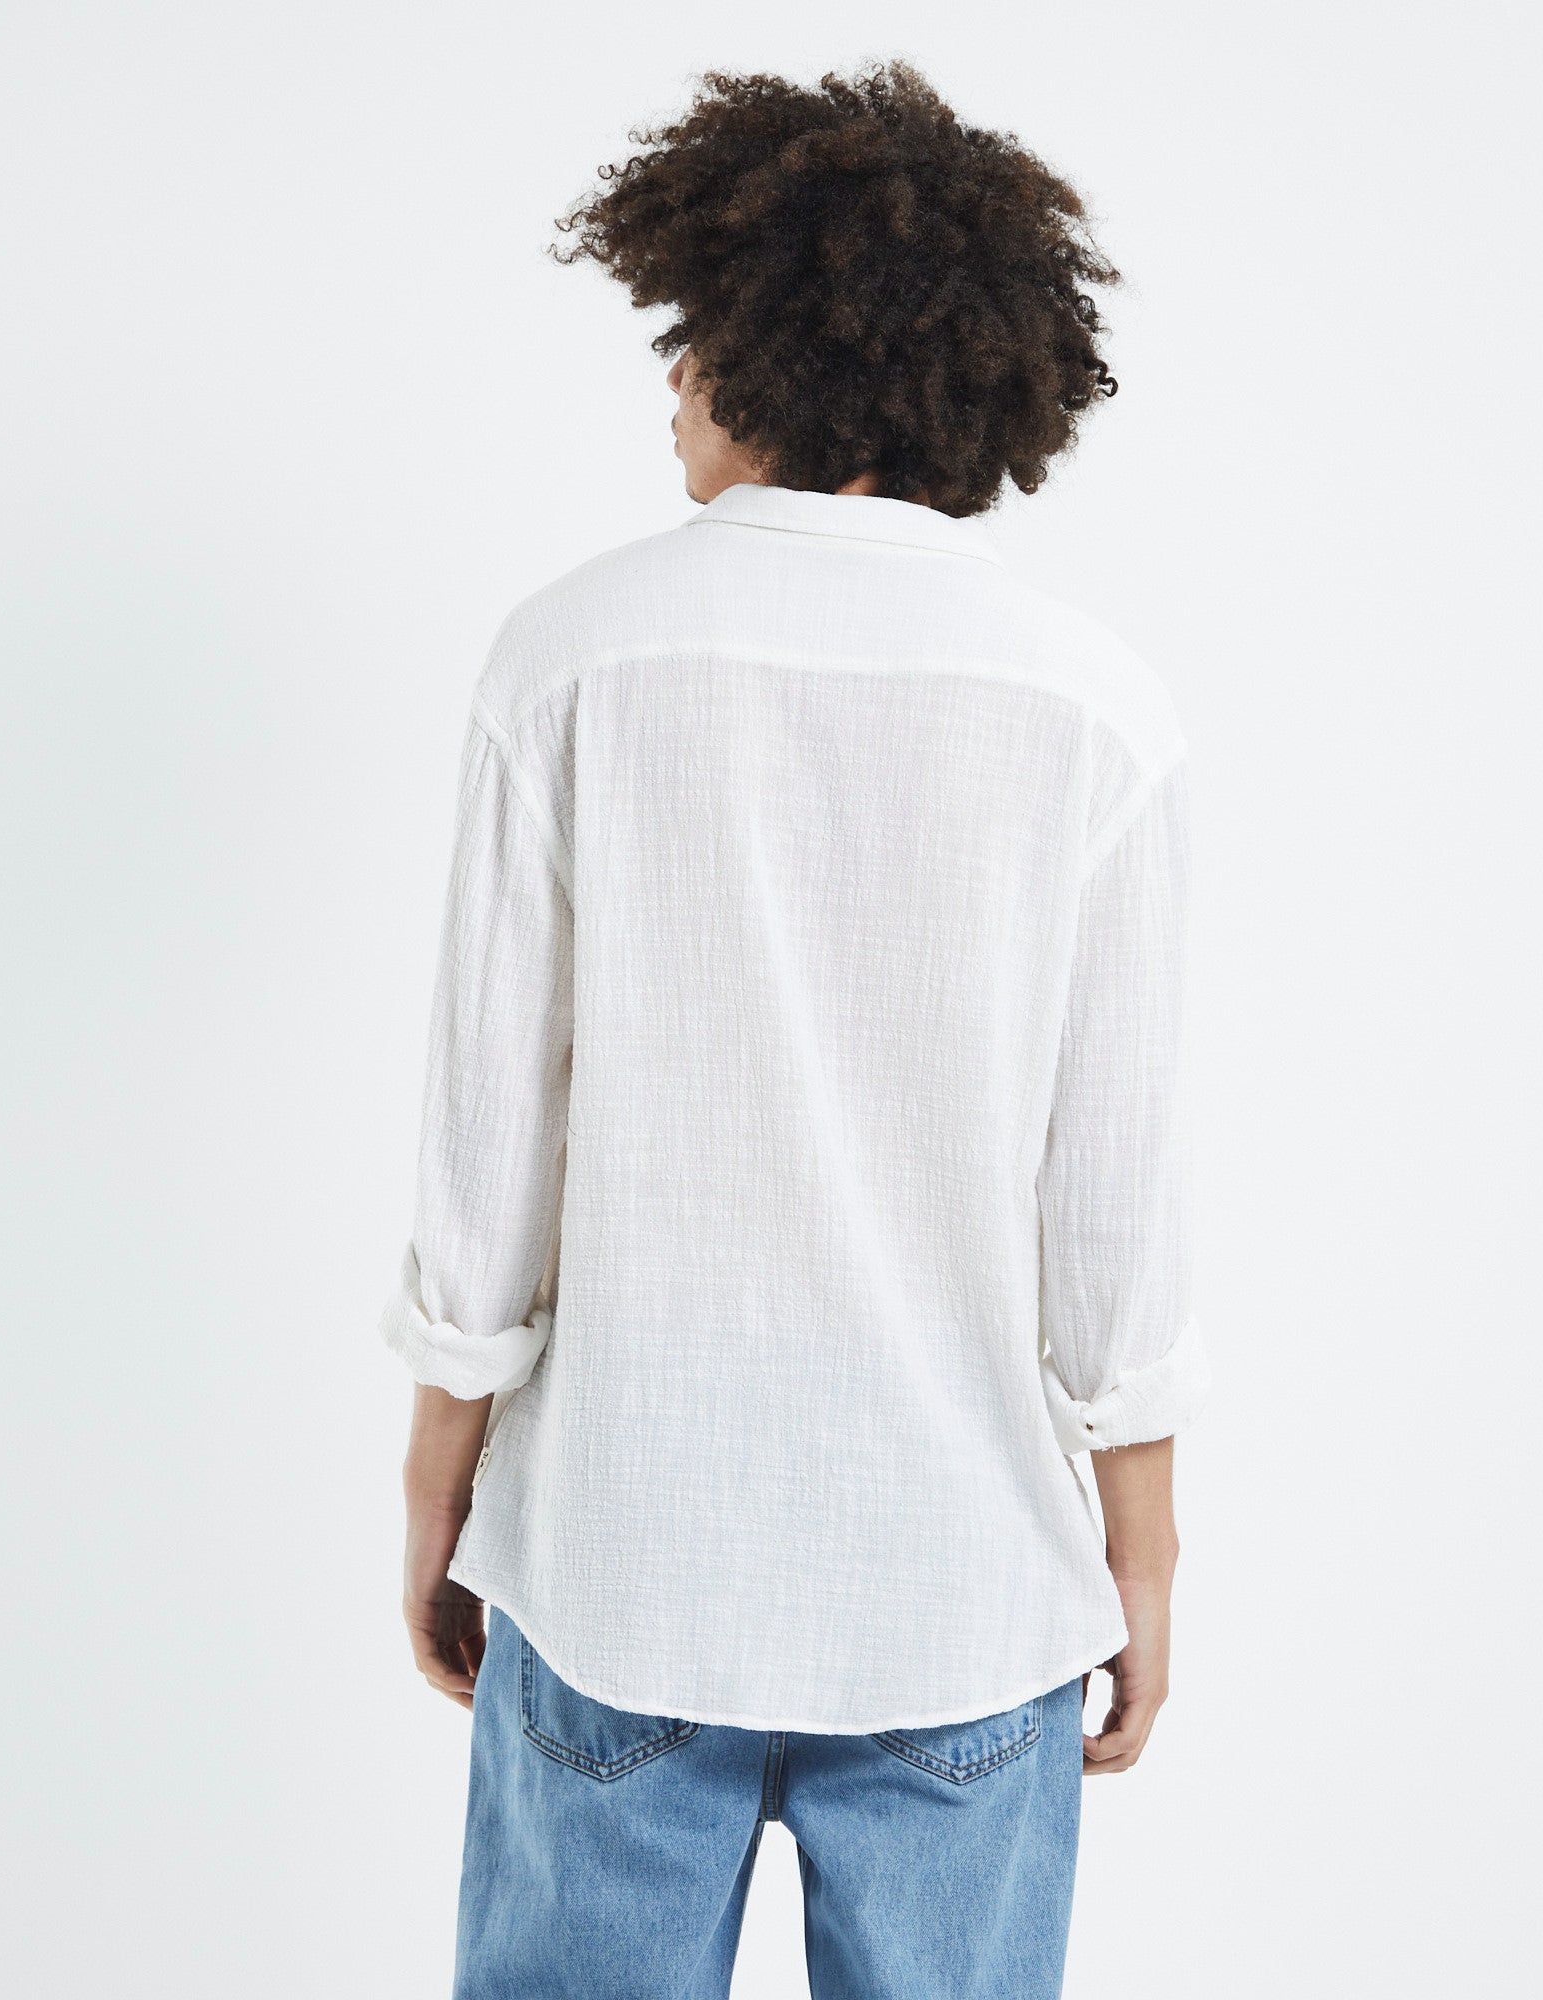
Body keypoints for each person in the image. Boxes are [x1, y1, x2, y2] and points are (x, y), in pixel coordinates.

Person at [380, 60, 1209, 1999]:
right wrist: (1145, 1556)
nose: (670, 377)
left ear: (781, 350)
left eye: (693, 331)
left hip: (621, 1560)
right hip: (961, 1597)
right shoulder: (1094, 711)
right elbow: (1116, 1218)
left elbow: (484, 1162)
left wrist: (436, 1483)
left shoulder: (567, 659)